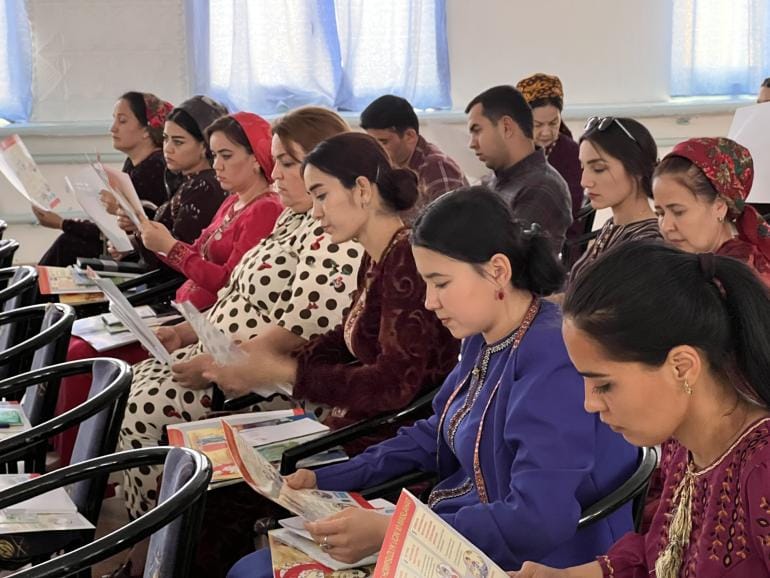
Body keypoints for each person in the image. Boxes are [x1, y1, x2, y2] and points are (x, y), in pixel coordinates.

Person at [227, 187, 637, 578]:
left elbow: (538, 519)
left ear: (497, 271)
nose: (429, 301)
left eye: (440, 283)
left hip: (535, 561)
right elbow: (434, 433)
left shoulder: (553, 360)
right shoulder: (486, 337)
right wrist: (327, 478)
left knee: (255, 571)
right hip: (462, 533)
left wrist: (394, 533)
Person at [111, 107, 362, 577]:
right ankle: (150, 543)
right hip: (231, 357)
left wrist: (214, 362)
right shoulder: (290, 217)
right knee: (136, 389)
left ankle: (162, 555)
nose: (282, 174)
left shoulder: (334, 231)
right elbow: (233, 290)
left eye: (290, 162)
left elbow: (299, 333)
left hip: (272, 385)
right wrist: (187, 333)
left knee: (147, 410)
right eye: (279, 162)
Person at [512, 241, 770, 578]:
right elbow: (661, 552)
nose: (589, 403)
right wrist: (567, 576)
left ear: (681, 367)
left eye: (604, 384)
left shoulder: (761, 472)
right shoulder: (683, 442)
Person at [52, 110, 283, 467]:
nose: (216, 165)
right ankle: (82, 465)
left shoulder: (264, 209)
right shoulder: (232, 200)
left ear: (256, 159)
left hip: (210, 327)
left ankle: (102, 477)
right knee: (88, 350)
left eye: (226, 156)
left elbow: (228, 283)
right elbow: (199, 258)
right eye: (215, 154)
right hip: (185, 318)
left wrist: (169, 247)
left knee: (102, 367)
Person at [203, 132, 459, 435]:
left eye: (321, 195)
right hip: (361, 423)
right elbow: (345, 338)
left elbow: (393, 386)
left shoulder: (407, 261)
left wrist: (287, 371)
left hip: (396, 435)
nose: (315, 212)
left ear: (362, 189)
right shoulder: (379, 256)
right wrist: (263, 361)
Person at [35, 91, 173, 267]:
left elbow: (117, 231)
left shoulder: (152, 169)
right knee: (68, 242)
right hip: (127, 250)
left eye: (122, 121)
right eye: (114, 120)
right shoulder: (135, 164)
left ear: (146, 130)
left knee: (68, 244)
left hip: (141, 258)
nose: (113, 128)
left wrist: (62, 223)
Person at [112, 94, 229, 271]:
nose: (168, 148)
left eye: (178, 142)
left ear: (204, 146)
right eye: (166, 138)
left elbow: (176, 261)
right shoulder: (184, 178)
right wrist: (136, 236)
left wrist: (140, 230)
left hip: (170, 291)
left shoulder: (204, 187)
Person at [465, 85, 572, 255]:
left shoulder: (540, 188)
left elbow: (507, 262)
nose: (471, 143)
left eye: (477, 131)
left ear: (506, 127)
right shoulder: (495, 179)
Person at [653, 136, 770, 286]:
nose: (666, 226)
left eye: (678, 211)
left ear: (719, 207)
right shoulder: (695, 267)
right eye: (660, 214)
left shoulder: (740, 276)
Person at [567, 117, 661, 283]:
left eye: (598, 169)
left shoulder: (648, 245)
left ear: (637, 169)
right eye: (583, 167)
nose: (584, 181)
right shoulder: (612, 226)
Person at [360, 94, 467, 221]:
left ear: (409, 136)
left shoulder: (436, 166)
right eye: (372, 142)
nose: (376, 150)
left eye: (383, 142)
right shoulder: (390, 166)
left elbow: (451, 226)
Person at [515, 74, 582, 224]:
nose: (546, 132)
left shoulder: (571, 153)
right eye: (537, 125)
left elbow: (569, 210)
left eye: (553, 123)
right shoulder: (512, 149)